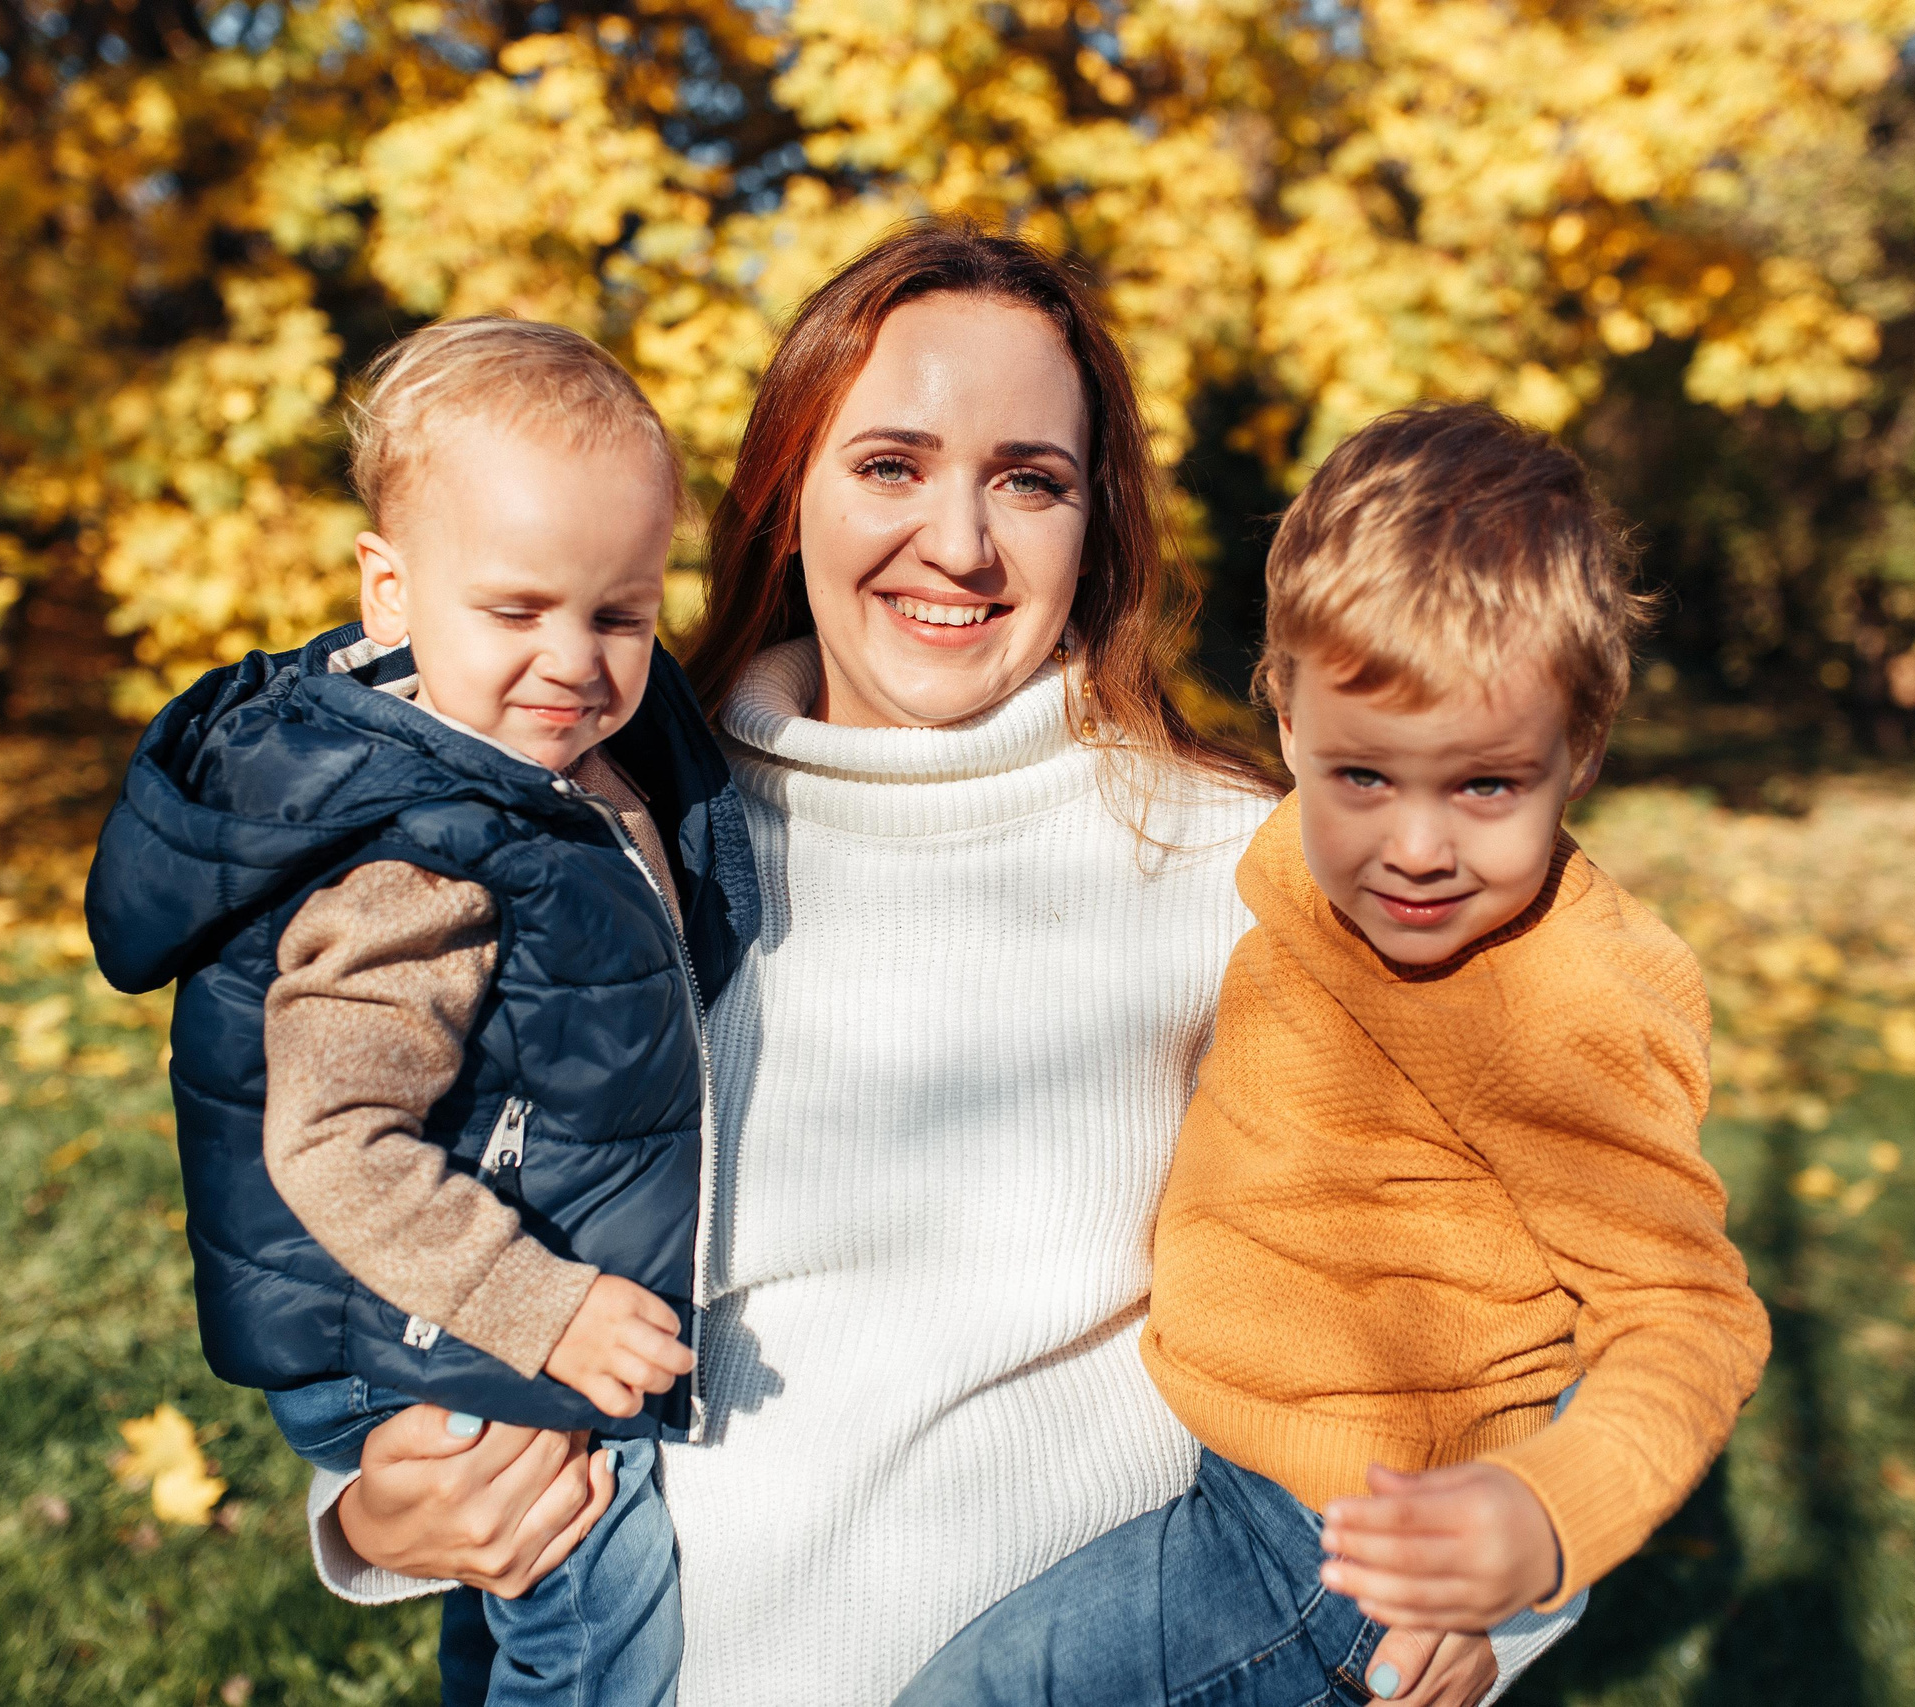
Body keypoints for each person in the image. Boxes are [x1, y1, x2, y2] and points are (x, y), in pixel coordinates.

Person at [292, 225, 1574, 1707]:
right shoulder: (592, 833)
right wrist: (377, 1504)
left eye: (1029, 480)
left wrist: (1491, 1594)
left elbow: (1541, 1277)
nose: (960, 544)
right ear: (785, 500)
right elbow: (363, 1188)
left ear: (1096, 524)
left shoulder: (1244, 870)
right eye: (890, 466)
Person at [896, 404, 1774, 1707]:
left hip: (1336, 1543)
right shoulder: (1295, 861)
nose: (1415, 848)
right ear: (1290, 725)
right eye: (1364, 778)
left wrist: (1542, 1524)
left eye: (1485, 787)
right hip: (1228, 1463)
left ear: (1577, 755)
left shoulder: (1560, 1000)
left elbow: (1688, 1315)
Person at [85, 317, 761, 1707]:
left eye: (620, 616)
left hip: (468, 1289)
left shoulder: (545, 763)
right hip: (437, 1308)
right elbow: (332, 1140)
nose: (574, 659)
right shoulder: (416, 853)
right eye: (516, 612)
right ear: (390, 595)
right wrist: (542, 1309)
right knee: (594, 1599)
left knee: (520, 1610)